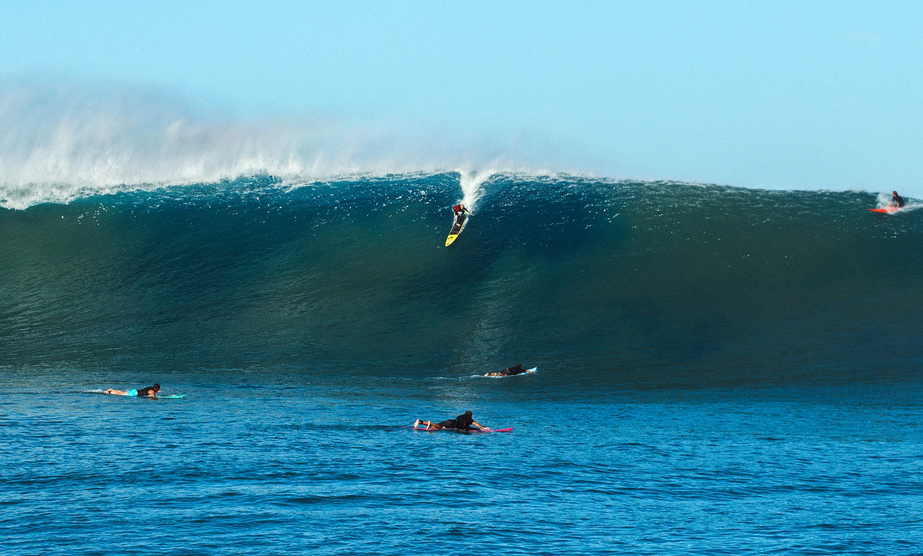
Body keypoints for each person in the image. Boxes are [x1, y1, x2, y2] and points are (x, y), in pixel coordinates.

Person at [414, 410, 488, 431]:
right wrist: (482, 428)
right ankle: (430, 423)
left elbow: (466, 427)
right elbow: (475, 423)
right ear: (470, 415)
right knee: (439, 427)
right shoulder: (469, 418)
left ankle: (421, 422)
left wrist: (475, 429)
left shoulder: (461, 416)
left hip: (450, 421)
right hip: (452, 425)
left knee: (436, 427)